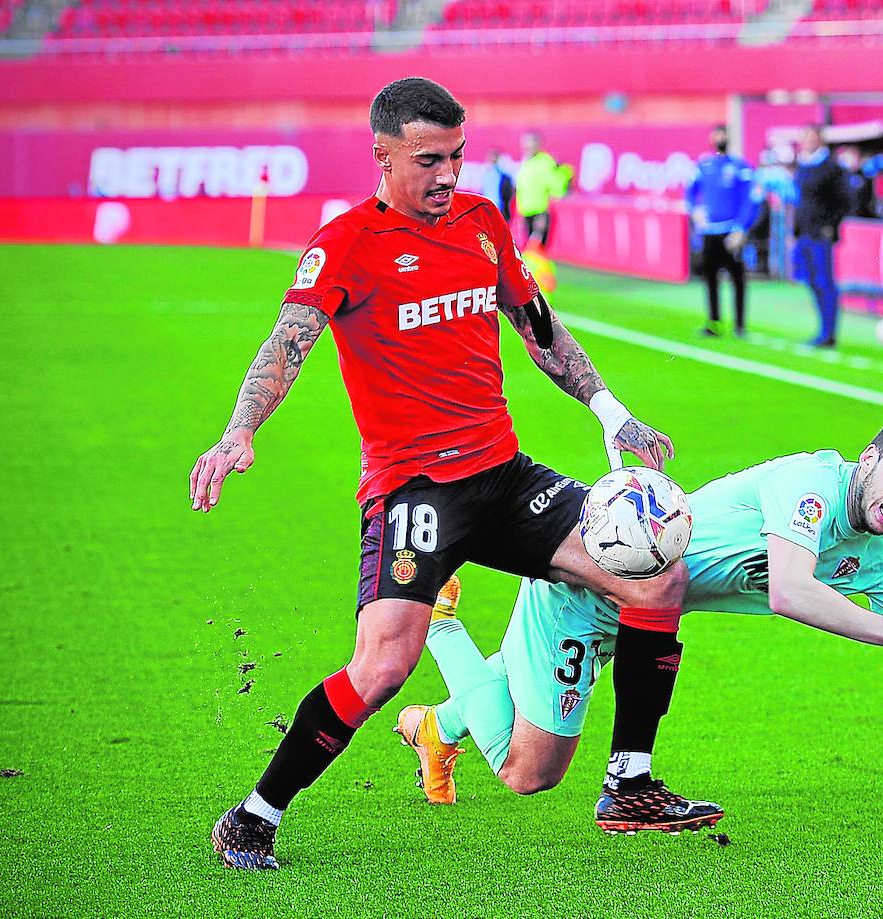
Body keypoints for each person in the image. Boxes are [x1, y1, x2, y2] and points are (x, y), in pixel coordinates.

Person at [191, 77, 710, 870]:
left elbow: (538, 325)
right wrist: (239, 430)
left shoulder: (481, 223)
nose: (448, 175)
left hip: (503, 476)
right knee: (383, 666)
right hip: (414, 491)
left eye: (458, 156)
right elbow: (286, 342)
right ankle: (257, 812)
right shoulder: (345, 244)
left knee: (655, 578)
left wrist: (610, 411)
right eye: (429, 159)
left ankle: (629, 783)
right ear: (383, 153)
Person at [400, 408, 883, 834]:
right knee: (530, 773)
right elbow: (791, 592)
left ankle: (434, 726)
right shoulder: (811, 484)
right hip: (588, 588)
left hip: (643, 616)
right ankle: (440, 623)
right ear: (870, 458)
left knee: (522, 687)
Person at [685, 123, 758, 338]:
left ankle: (740, 325)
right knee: (710, 277)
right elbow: (689, 193)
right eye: (716, 136)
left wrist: (741, 228)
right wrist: (694, 211)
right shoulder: (704, 166)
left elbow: (749, 200)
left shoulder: (740, 167)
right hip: (709, 231)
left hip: (731, 232)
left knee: (737, 278)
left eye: (723, 135)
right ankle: (713, 322)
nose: (720, 140)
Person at [792, 125, 856, 348]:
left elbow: (846, 201)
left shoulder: (831, 168)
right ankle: (822, 329)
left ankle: (829, 333)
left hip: (821, 234)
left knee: (825, 282)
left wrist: (831, 225)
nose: (808, 141)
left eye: (812, 137)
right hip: (805, 234)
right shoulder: (803, 166)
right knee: (811, 281)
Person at [515, 131, 570, 249]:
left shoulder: (545, 161)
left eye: (530, 143)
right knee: (528, 250)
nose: (527, 146)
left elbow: (556, 187)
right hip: (526, 212)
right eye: (525, 143)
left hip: (540, 212)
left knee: (537, 249)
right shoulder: (526, 162)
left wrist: (565, 174)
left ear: (538, 145)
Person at [479, 146, 514, 223]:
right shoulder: (486, 173)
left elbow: (508, 192)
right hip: (487, 208)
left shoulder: (502, 174)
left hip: (499, 208)